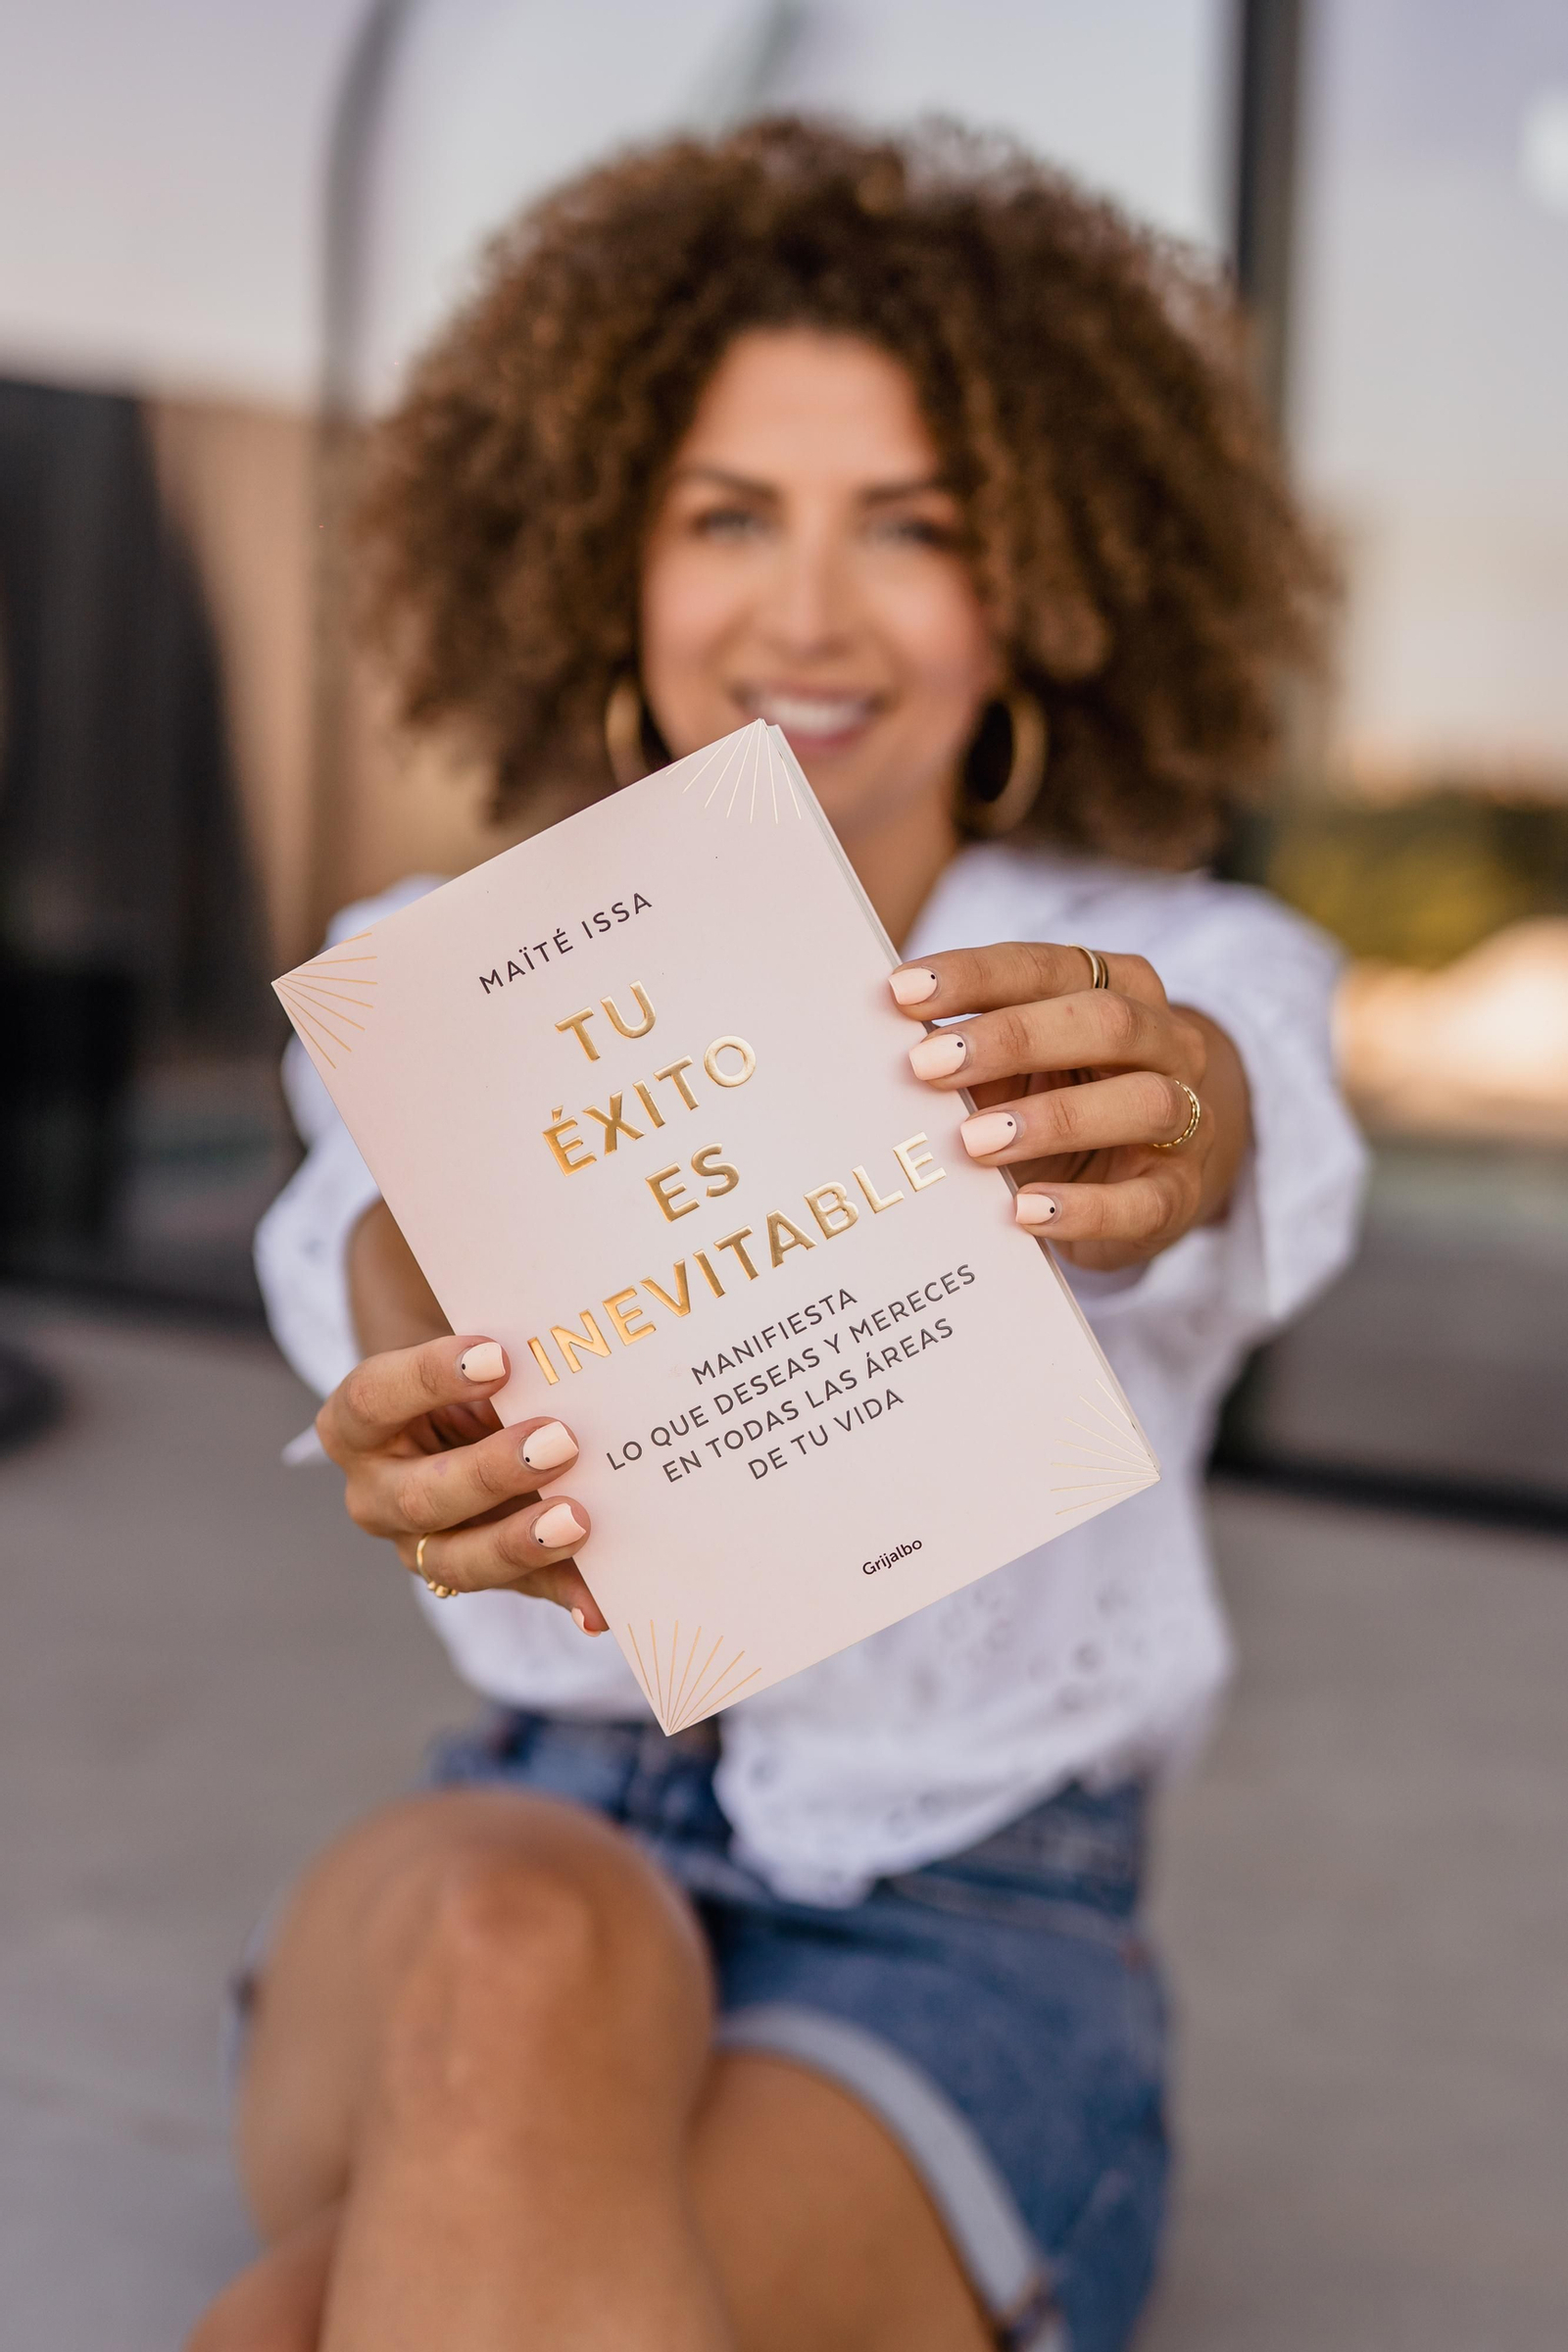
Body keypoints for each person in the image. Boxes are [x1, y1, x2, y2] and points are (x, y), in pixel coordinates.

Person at [197, 120, 1364, 2352]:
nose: (809, 610)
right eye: (727, 514)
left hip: (962, 1930)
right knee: (518, 1949)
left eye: (910, 528)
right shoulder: (444, 958)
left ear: (1041, 583)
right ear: (600, 558)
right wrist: (424, 1384)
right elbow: (368, 1237)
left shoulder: (1178, 959)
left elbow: (1231, 1124)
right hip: (518, 1846)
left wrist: (1163, 1106)